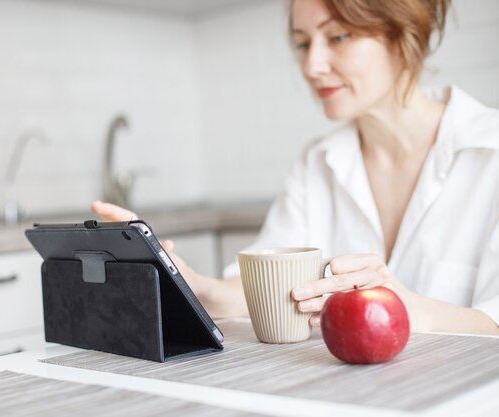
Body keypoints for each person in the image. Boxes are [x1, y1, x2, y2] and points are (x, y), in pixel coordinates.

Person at [93, 0, 499, 335]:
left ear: (405, 31)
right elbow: (266, 287)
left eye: (338, 36)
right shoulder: (318, 162)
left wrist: (410, 309)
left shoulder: (490, 153)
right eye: (303, 44)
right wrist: (191, 285)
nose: (312, 66)